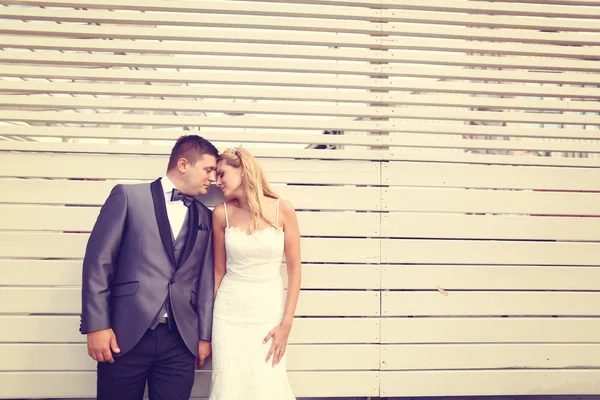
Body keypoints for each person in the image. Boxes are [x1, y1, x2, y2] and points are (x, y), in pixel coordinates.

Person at [80, 135, 219, 400]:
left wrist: (203, 336)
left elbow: (204, 281)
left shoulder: (206, 216)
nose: (212, 179)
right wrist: (96, 325)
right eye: (208, 169)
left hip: (181, 341)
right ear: (183, 164)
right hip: (124, 334)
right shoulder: (129, 196)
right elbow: (99, 262)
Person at [209, 147, 301, 399]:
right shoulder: (221, 214)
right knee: (229, 383)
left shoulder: (283, 210)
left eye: (222, 174)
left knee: (267, 382)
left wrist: (286, 324)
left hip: (268, 312)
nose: (217, 182)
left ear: (242, 169)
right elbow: (218, 272)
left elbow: (295, 271)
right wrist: (205, 330)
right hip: (228, 315)